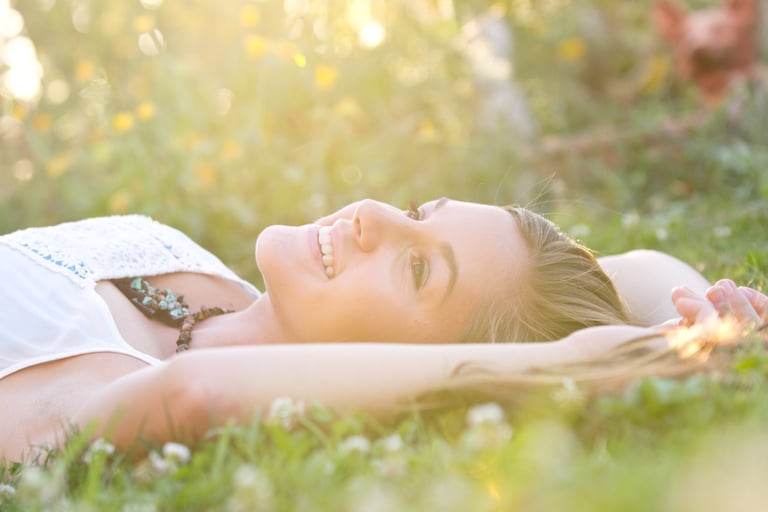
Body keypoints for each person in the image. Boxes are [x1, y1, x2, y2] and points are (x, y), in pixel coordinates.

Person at [0, 198, 717, 462]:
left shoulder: (103, 390)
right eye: (419, 209)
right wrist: (696, 315)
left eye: (416, 268)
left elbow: (195, 395)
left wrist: (563, 362)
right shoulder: (204, 280)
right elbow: (634, 265)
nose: (372, 215)